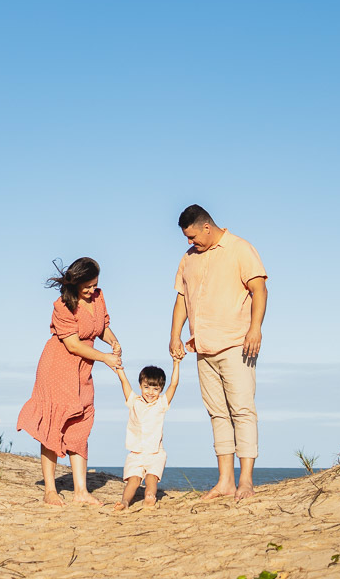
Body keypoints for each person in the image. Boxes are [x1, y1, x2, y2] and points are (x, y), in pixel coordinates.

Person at [169, 204, 267, 502]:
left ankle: (246, 481)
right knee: (218, 413)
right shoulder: (188, 258)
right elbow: (182, 299)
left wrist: (255, 328)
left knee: (242, 410)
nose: (190, 242)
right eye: (187, 238)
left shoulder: (240, 248)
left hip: (237, 343)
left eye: (193, 236)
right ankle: (225, 481)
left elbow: (260, 289)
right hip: (203, 347)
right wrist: (174, 335)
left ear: (207, 227)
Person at [17, 256, 122, 506]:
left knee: (81, 424)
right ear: (75, 283)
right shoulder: (62, 306)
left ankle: (81, 492)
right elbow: (73, 345)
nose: (91, 290)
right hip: (58, 367)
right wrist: (105, 358)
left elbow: (102, 327)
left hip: (83, 369)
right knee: (54, 424)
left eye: (94, 285)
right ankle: (50, 491)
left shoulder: (98, 297)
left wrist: (114, 342)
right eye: (87, 286)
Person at [112, 358, 180, 510]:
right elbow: (124, 382)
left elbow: (174, 384)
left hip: (155, 453)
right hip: (136, 453)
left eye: (155, 389)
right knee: (133, 480)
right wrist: (119, 369)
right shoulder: (134, 401)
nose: (150, 392)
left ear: (161, 390)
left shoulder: (161, 404)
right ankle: (125, 502)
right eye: (146, 387)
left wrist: (176, 363)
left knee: (151, 478)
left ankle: (149, 497)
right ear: (140, 386)